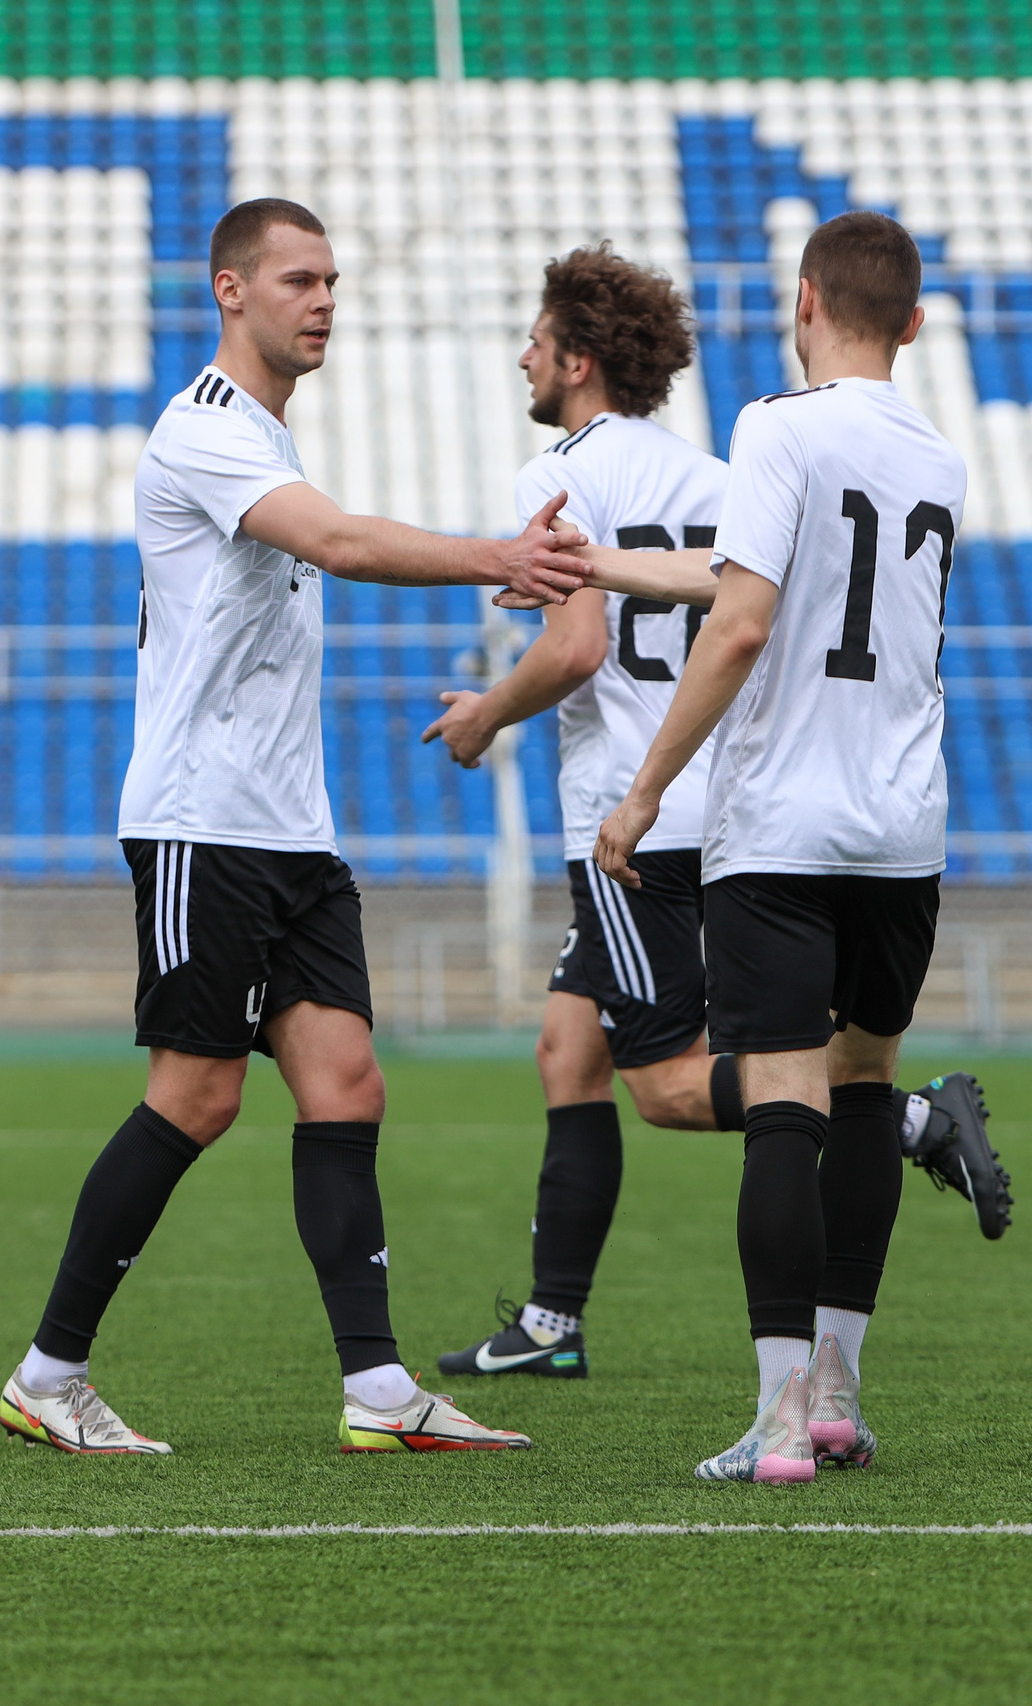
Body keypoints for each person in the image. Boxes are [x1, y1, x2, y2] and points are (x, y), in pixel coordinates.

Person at [0, 197, 589, 1457]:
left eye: (332, 280)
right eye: (298, 279)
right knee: (197, 1094)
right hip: (200, 825)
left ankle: (377, 1390)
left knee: (345, 1082)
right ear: (229, 290)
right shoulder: (204, 432)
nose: (323, 300)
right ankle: (48, 1371)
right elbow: (338, 539)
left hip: (292, 835)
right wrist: (495, 555)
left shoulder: (264, 439)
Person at [578, 210, 989, 1481]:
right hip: (899, 828)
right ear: (913, 324)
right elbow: (783, 585)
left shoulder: (773, 425)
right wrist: (607, 565)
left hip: (780, 824)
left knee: (782, 1104)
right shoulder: (939, 457)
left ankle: (771, 1425)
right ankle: (836, 1401)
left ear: (802, 300)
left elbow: (748, 619)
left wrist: (644, 790)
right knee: (866, 1085)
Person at [415, 245, 746, 1381]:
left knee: (666, 1083)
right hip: (716, 802)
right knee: (571, 1046)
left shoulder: (558, 472)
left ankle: (890, 1113)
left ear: (579, 359)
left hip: (629, 820)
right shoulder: (715, 480)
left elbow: (574, 644)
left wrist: (481, 720)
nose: (523, 354)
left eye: (537, 338)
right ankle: (552, 1325)